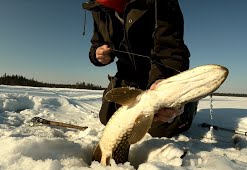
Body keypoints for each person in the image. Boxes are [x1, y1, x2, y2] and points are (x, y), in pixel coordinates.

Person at [82, 0, 198, 138]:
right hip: (128, 74)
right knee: (108, 118)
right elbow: (97, 42)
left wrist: (164, 82)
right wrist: (97, 54)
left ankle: (188, 105)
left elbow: (171, 48)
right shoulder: (97, 8)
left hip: (158, 71)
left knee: (159, 127)